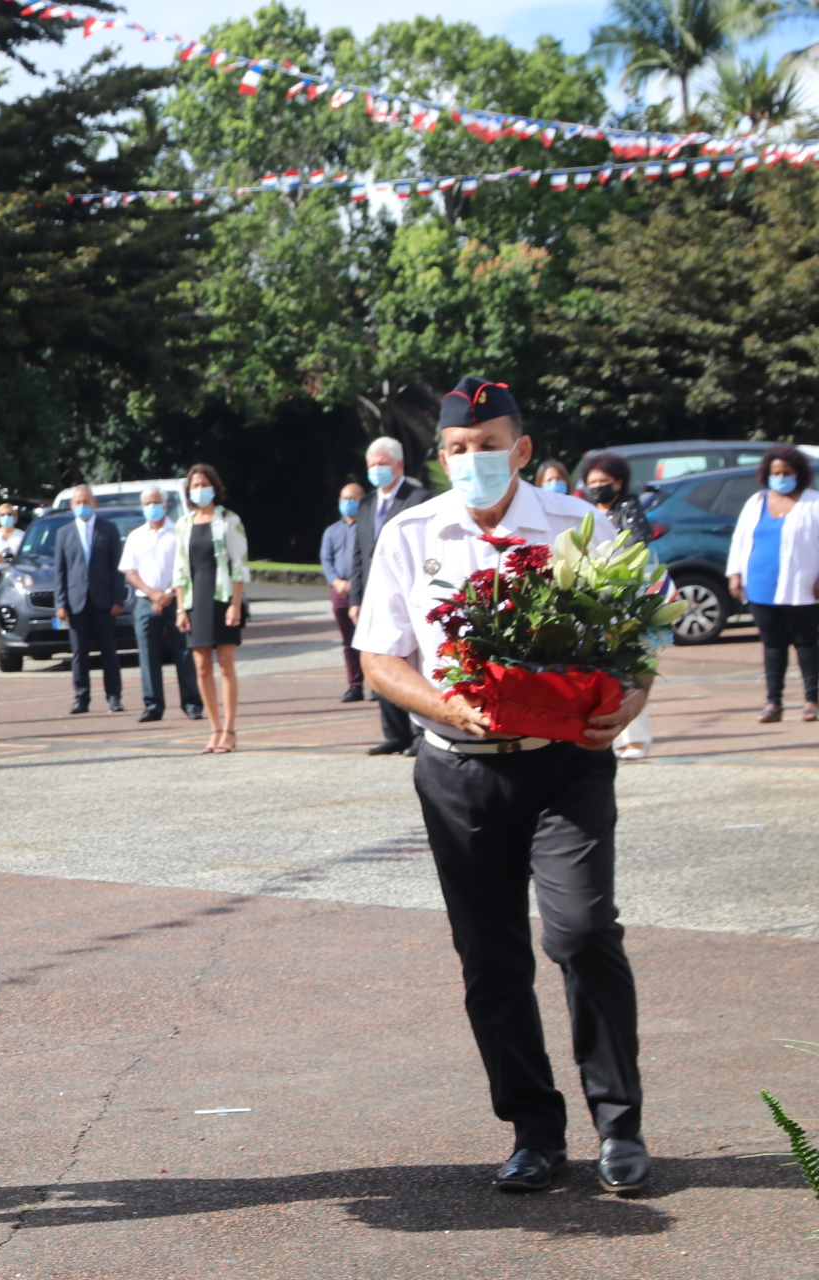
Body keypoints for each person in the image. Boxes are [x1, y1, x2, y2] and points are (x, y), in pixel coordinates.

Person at [354, 376, 652, 1197]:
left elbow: (638, 641)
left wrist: (628, 702)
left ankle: (619, 1122)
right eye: (457, 449)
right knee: (490, 956)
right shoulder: (413, 535)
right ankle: (534, 1130)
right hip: (459, 770)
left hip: (566, 763)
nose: (473, 461)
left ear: (520, 451)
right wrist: (449, 704)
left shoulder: (579, 524)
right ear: (439, 455)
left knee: (583, 930)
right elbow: (381, 659)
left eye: (488, 447)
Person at [727, 445, 819, 724]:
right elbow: (740, 540)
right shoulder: (756, 502)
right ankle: (773, 702)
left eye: (786, 473)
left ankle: (812, 700)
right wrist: (735, 574)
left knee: (806, 643)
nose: (780, 477)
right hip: (761, 586)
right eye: (775, 473)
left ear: (798, 474)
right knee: (772, 644)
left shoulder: (813, 502)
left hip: (801, 586)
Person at [350, 436, 430, 755]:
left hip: (408, 591)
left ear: (399, 465)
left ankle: (419, 733)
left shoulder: (419, 498)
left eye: (383, 464)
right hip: (374, 593)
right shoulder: (367, 503)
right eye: (372, 465)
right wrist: (356, 598)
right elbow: (359, 554)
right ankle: (395, 732)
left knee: (411, 661)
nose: (377, 470)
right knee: (379, 658)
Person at [582, 453, 656, 757]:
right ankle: (610, 733)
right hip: (596, 597)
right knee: (604, 669)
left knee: (629, 665)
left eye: (604, 482)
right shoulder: (585, 511)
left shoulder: (628, 508)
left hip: (627, 594)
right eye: (593, 483)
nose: (598, 487)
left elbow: (638, 543)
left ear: (619, 482)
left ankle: (636, 738)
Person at [173, 465, 249, 753]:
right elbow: (179, 569)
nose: (199, 489)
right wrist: (180, 608)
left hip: (222, 597)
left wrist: (235, 604)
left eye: (204, 484)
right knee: (201, 667)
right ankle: (214, 729)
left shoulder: (229, 520)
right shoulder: (184, 524)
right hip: (195, 600)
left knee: (226, 666)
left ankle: (230, 730)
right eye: (194, 485)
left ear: (215, 487)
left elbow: (240, 565)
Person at [121, 485, 202, 722]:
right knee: (147, 655)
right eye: (147, 503)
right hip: (145, 603)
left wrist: (166, 594)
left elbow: (187, 567)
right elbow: (130, 571)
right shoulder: (136, 536)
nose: (152, 507)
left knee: (184, 653)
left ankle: (192, 703)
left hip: (176, 600)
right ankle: (153, 705)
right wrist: (152, 594)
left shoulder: (178, 532)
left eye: (156, 503)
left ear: (166, 505)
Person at [53, 483, 125, 714]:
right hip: (76, 602)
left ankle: (114, 696)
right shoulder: (63, 533)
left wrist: (118, 599)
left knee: (109, 652)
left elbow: (117, 568)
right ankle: (81, 698)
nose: (82, 506)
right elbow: (60, 571)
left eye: (86, 502)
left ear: (95, 504)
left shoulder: (109, 529)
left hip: (104, 601)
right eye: (78, 502)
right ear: (72, 505)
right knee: (79, 654)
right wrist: (60, 603)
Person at [321, 483, 365, 702]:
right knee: (348, 641)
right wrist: (336, 581)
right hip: (340, 592)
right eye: (343, 498)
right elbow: (326, 559)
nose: (347, 502)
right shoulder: (332, 531)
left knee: (370, 639)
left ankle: (377, 684)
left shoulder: (368, 528)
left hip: (365, 590)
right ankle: (355, 684)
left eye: (352, 498)